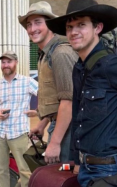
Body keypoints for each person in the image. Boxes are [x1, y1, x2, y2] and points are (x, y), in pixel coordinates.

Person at [46, 0, 117, 186]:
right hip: (85, 169)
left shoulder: (111, 65)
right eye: (69, 27)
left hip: (108, 171)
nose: (74, 31)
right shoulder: (79, 69)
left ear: (98, 28)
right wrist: (75, 161)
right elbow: (77, 116)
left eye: (81, 25)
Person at [18, 1, 78, 164]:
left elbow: (69, 102)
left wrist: (55, 142)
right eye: (29, 24)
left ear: (50, 25)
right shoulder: (45, 53)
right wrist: (42, 124)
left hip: (68, 129)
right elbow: (55, 99)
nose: (32, 29)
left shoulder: (60, 53)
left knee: (62, 176)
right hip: (58, 124)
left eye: (38, 22)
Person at [0, 51, 38, 187]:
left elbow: (45, 95)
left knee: (25, 169)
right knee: (0, 169)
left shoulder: (27, 81)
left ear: (16, 63)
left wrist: (37, 112)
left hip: (18, 132)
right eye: (3, 62)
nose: (5, 65)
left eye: (9, 62)